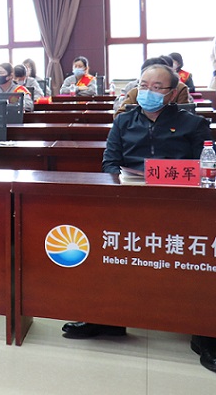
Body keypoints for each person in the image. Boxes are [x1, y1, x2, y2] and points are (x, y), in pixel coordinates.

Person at [68, 64, 216, 371]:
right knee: (105, 248)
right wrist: (121, 186)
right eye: (144, 85)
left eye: (157, 87)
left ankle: (205, 331)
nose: (148, 92)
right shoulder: (123, 121)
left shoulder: (193, 124)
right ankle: (108, 318)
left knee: (199, 259)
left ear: (173, 93)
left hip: (181, 205)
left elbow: (205, 168)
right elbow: (110, 162)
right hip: (130, 199)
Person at [115, 57, 190, 118]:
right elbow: (120, 115)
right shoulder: (135, 91)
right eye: (144, 85)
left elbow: (185, 114)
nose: (148, 90)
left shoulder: (179, 89)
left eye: (156, 87)